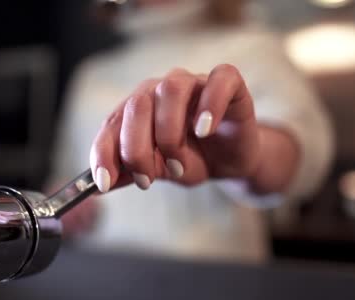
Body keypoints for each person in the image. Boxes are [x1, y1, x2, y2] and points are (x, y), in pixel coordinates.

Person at [51, 0, 333, 262]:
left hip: (212, 284)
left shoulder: (254, 48)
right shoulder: (90, 73)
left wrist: (250, 158)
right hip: (100, 282)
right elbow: (65, 173)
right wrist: (64, 204)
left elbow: (305, 150)